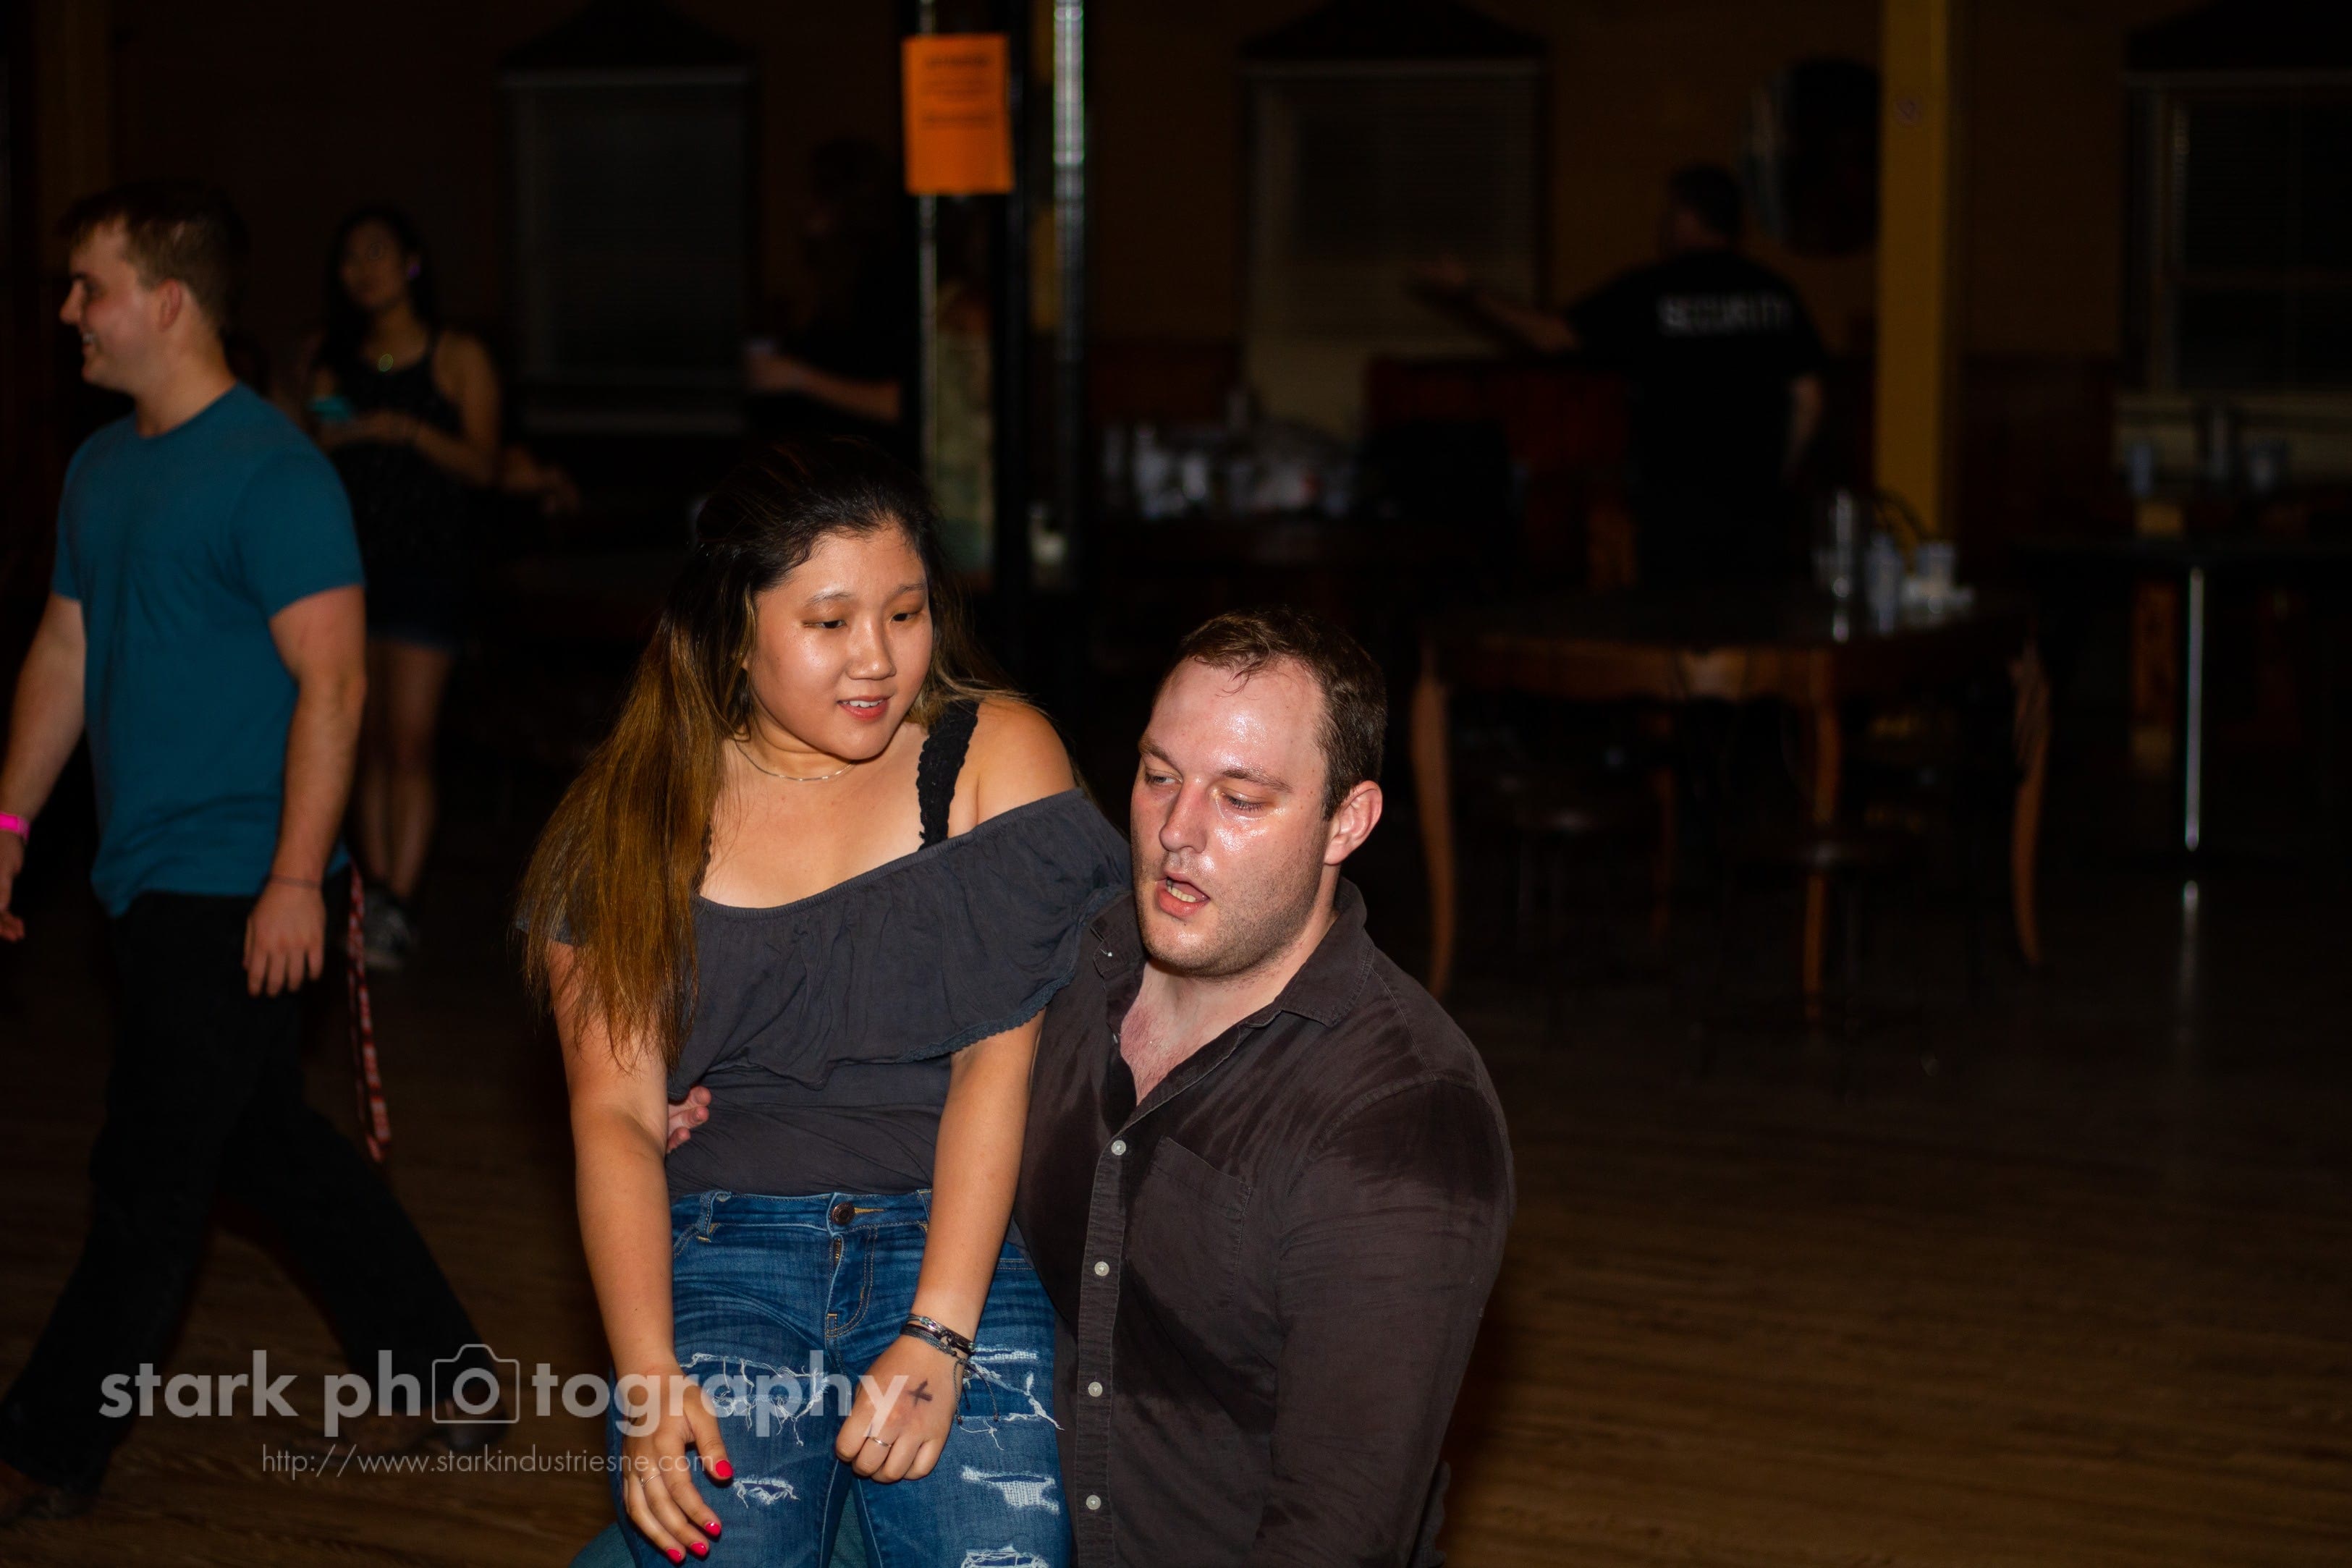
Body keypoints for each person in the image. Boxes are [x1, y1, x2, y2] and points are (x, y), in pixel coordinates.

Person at [522, 437, 1124, 1567]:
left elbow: (996, 1066)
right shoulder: (635, 812)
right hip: (720, 1243)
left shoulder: (990, 756)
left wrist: (937, 1330)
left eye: (905, 612)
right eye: (829, 620)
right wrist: (647, 1373)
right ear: (731, 628)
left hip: (953, 1232)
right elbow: (612, 1115)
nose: (877, 658)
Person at [0, 180, 497, 1525]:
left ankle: (46, 1439)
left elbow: (335, 687)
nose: (70, 311)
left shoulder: (277, 474)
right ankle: (447, 1372)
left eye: (91, 287)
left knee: (149, 1169)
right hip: (140, 871)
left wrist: (293, 878)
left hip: (234, 876)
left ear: (167, 302)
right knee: (263, 1143)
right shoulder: (101, 469)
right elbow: (65, 650)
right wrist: (8, 823)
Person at [1019, 607, 1513, 1565]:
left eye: (1240, 799)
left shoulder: (1402, 1115)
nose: (1177, 830)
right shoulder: (1073, 972)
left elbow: (1339, 1529)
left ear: (1347, 821)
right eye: (1158, 775)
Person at [1417, 163, 1827, 588]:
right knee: (1756, 621)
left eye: (1669, 212)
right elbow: (1810, 400)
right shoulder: (1777, 294)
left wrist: (1469, 291)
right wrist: (1778, 475)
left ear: (1687, 216)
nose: (1664, 224)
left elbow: (1552, 336)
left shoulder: (1650, 291)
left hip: (1674, 513)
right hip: (1757, 512)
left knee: (1676, 621)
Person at [305, 206, 502, 969]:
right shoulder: (335, 360)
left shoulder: (457, 355)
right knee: (363, 739)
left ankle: (399, 902)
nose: (364, 269)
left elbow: (484, 464)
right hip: (349, 569)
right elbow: (316, 446)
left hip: (431, 567)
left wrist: (402, 430)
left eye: (378, 252)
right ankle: (377, 893)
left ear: (412, 261)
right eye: (350, 256)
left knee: (411, 739)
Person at [743, 139, 915, 467]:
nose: (799, 205)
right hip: (839, 468)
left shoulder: (885, 281)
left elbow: (902, 402)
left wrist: (795, 377)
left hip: (871, 473)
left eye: (815, 194)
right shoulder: (839, 278)